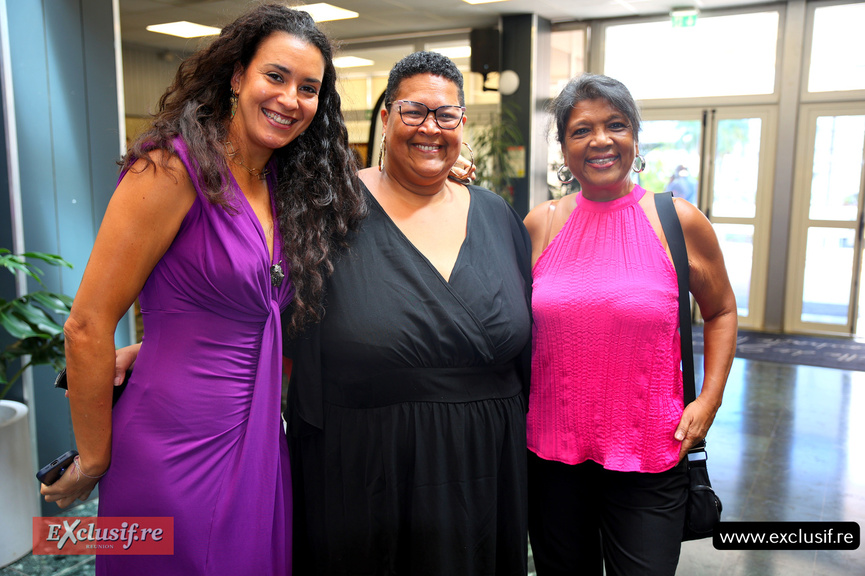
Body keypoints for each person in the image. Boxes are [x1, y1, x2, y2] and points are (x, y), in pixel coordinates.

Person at [41, 4, 365, 574]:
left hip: (260, 442)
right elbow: (87, 324)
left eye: (309, 88)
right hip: (169, 449)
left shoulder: (282, 187)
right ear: (237, 76)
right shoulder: (169, 170)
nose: (291, 98)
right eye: (276, 76)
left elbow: (253, 316)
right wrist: (92, 462)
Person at [286, 51, 533, 575]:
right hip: (366, 471)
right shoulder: (327, 212)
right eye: (414, 111)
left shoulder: (496, 215)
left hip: (486, 468)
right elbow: (265, 309)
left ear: (462, 124)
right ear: (385, 117)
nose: (431, 128)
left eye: (446, 115)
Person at [522, 73, 737, 576]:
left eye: (615, 125)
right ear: (563, 146)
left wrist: (709, 400)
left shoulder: (676, 220)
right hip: (552, 454)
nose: (600, 140)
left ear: (635, 138)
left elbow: (722, 311)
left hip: (649, 451)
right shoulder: (541, 223)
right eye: (581, 130)